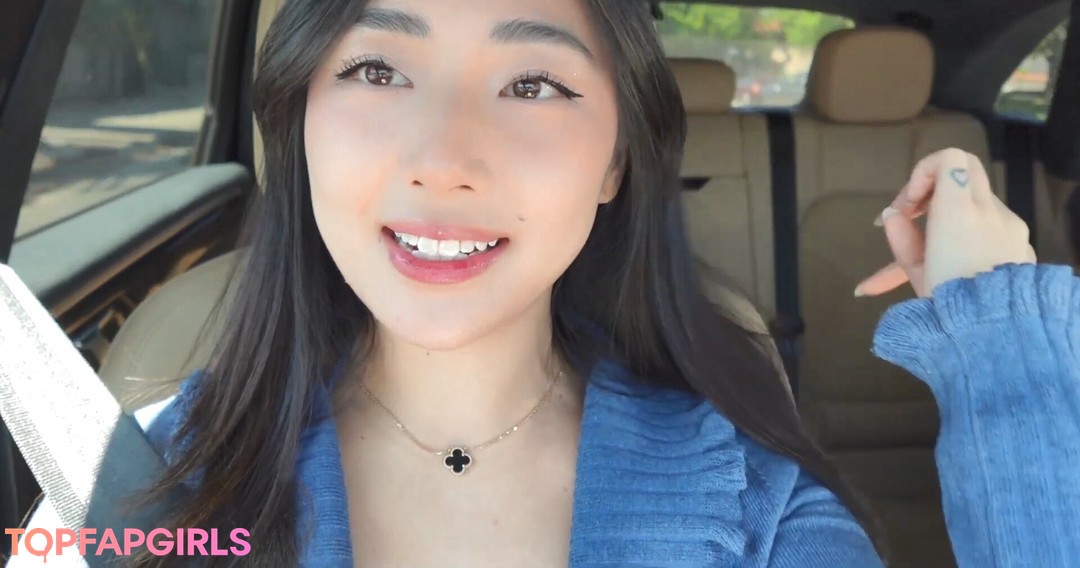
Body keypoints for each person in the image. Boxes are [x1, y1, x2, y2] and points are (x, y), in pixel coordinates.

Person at [16, 0, 1079, 566]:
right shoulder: (140, 486)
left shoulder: (759, 516)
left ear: (617, 161)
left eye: (533, 83)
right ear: (298, 124)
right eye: (377, 69)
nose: (444, 158)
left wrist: (1000, 340)